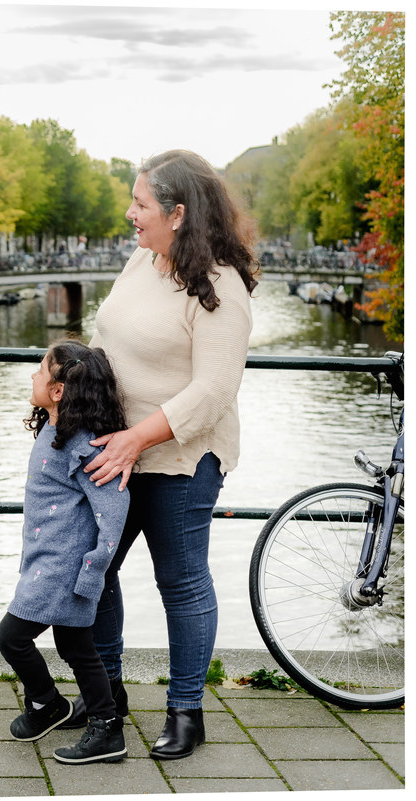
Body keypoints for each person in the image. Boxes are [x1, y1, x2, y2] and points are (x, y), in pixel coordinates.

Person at [72, 149, 259, 760]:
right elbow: (106, 338)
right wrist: (67, 395)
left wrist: (139, 437)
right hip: (117, 448)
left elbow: (212, 392)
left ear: (177, 214)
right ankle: (108, 698)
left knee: (180, 581)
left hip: (182, 455)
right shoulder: (142, 261)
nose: (130, 213)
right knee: (91, 571)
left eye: (141, 203)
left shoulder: (221, 288)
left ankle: (186, 709)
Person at [0, 340, 130, 764]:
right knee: (76, 647)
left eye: (40, 371)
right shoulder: (56, 432)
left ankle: (50, 704)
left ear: (57, 390)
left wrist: (93, 571)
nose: (33, 376)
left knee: (11, 638)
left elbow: (114, 509)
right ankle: (101, 724)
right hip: (45, 560)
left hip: (64, 568)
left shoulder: (85, 445)